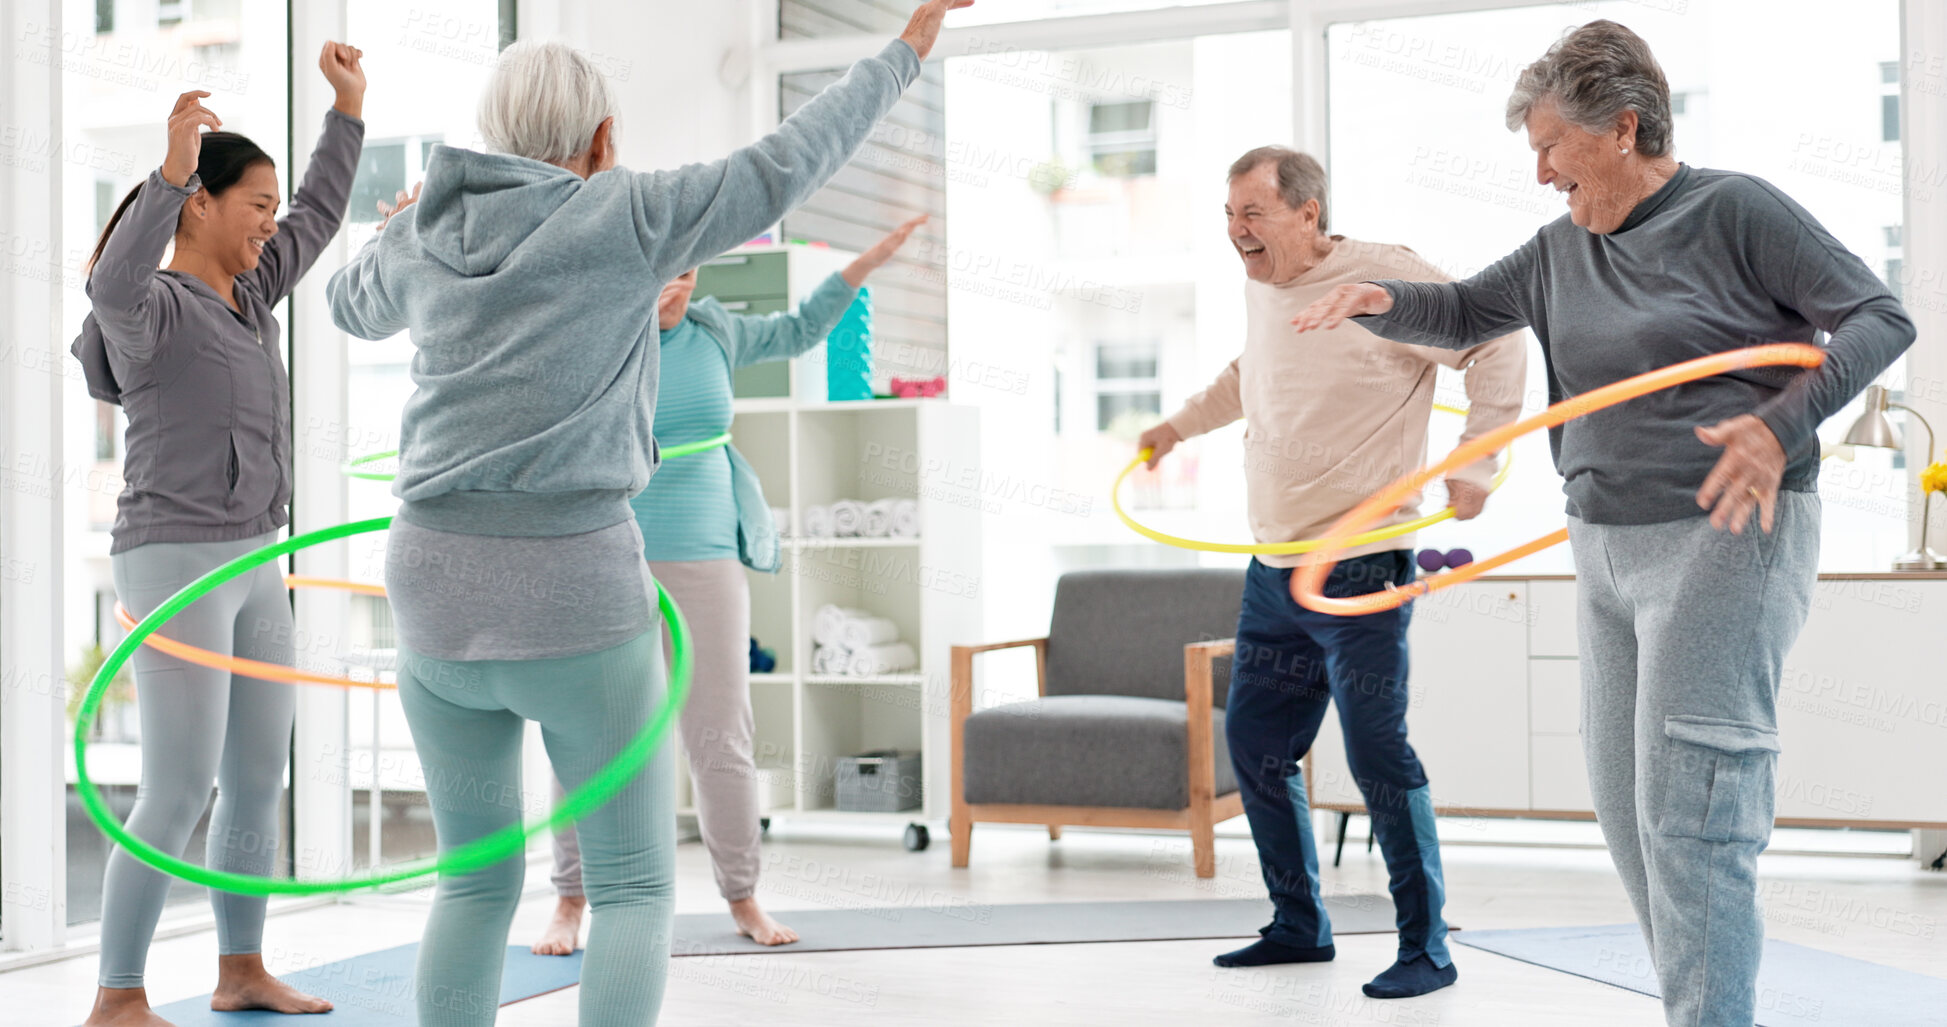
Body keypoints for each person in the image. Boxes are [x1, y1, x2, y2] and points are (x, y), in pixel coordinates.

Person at [326, 4, 967, 1024]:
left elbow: (347, 306)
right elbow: (791, 158)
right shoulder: (626, 215)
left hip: (433, 581)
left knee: (472, 879)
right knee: (629, 887)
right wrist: (906, 52)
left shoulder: (430, 226)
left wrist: (393, 227)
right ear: (603, 139)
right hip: (571, 581)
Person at [1291, 20, 1914, 1026]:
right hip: (1602, 545)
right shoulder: (1558, 249)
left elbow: (1881, 316)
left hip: (1725, 532)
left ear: (1623, 128)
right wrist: (1376, 299)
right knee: (1632, 821)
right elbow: (1458, 316)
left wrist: (1779, 421)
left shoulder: (1736, 211)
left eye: (1551, 147)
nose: (1539, 171)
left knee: (1696, 818)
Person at [1137, 146, 1526, 1000]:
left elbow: (1494, 338)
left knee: (1377, 752)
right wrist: (1174, 428)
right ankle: (1297, 925)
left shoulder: (1383, 279)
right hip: (1275, 565)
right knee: (1255, 747)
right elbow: (1255, 375)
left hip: (1359, 562)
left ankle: (1425, 945)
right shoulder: (1264, 284)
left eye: (1254, 213)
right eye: (1229, 213)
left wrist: (1475, 462)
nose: (1237, 231)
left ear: (1308, 213)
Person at [69, 44, 369, 1027]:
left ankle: (240, 967)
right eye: (255, 203)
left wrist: (349, 111)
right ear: (200, 204)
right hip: (175, 554)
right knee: (179, 787)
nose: (271, 223)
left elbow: (322, 217)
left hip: (256, 558)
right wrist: (166, 168)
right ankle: (117, 992)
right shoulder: (149, 308)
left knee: (253, 780)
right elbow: (110, 279)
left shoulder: (251, 295)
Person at [532, 215, 929, 956]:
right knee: (585, 737)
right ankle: (568, 899)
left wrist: (859, 266)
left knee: (720, 735)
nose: (674, 289)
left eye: (685, 273)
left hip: (707, 556)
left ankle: (741, 895)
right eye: (660, 275)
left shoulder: (715, 330)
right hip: (606, 555)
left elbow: (797, 329)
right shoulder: (594, 339)